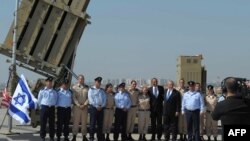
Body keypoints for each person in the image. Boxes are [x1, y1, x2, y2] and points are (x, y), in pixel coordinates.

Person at [38, 76, 58, 141]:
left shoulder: (54, 92)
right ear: (46, 82)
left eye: (51, 82)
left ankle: (51, 137)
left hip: (51, 108)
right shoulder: (42, 91)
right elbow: (39, 100)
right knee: (43, 123)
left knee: (52, 124)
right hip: (44, 107)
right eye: (48, 82)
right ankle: (42, 137)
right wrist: (41, 107)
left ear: (52, 83)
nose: (49, 83)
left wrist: (52, 105)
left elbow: (56, 100)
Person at [88, 77, 106, 141]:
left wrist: (102, 106)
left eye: (100, 82)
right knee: (92, 123)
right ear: (95, 82)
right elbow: (90, 100)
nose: (99, 83)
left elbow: (104, 99)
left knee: (100, 124)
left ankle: (99, 137)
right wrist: (96, 106)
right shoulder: (91, 90)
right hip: (94, 108)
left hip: (101, 108)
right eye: (97, 82)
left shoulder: (102, 90)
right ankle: (91, 137)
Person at [71, 75, 89, 141]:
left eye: (82, 79)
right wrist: (78, 105)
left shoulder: (87, 88)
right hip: (77, 107)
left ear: (84, 80)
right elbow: (74, 98)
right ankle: (74, 136)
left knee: (84, 123)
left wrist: (84, 104)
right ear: (78, 80)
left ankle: (84, 136)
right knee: (76, 122)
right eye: (80, 79)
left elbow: (88, 97)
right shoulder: (74, 87)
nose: (81, 80)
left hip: (84, 107)